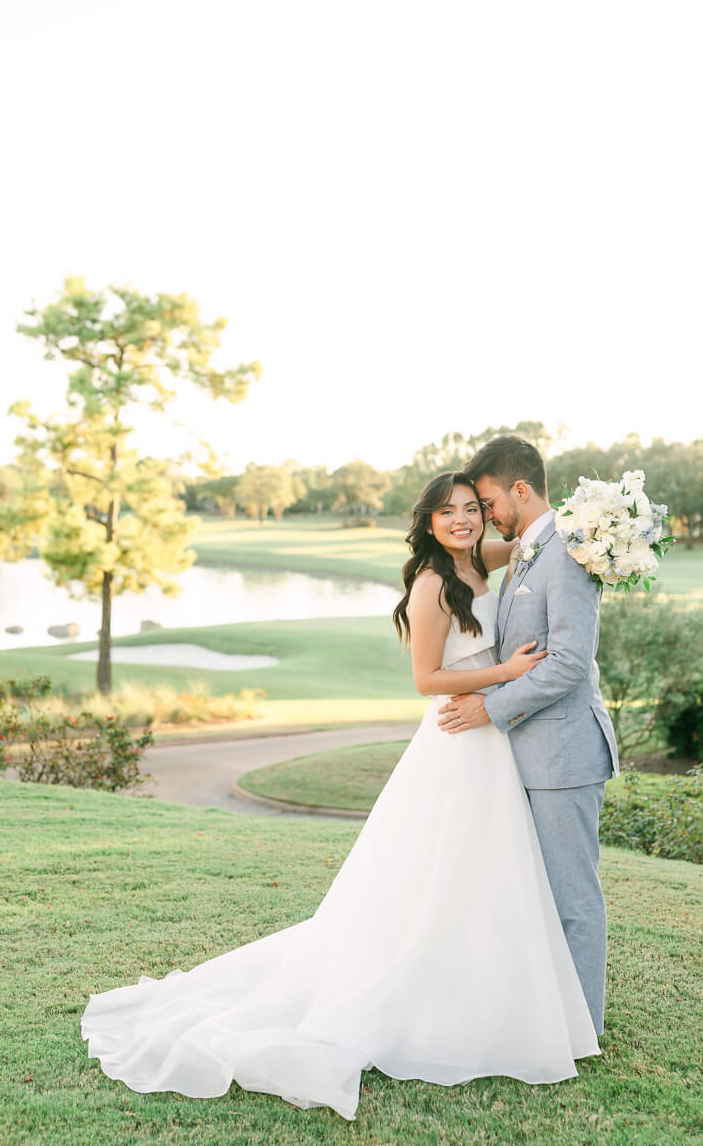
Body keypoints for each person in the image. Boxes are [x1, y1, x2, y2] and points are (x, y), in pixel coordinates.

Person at [81, 470, 600, 1122]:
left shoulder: (483, 561)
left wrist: (599, 533)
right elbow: (426, 678)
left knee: (484, 874)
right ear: (429, 522)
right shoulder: (434, 582)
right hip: (459, 734)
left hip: (490, 741)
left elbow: (540, 545)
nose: (465, 520)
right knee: (437, 872)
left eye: (473, 508)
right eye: (450, 513)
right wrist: (508, 674)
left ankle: (489, 987)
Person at [437, 437, 619, 1035]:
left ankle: (581, 1027)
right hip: (529, 752)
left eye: (487, 502)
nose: (484, 515)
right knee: (534, 894)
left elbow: (568, 662)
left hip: (564, 753)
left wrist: (489, 708)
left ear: (520, 490)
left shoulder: (564, 553)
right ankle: (544, 1014)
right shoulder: (525, 550)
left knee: (573, 899)